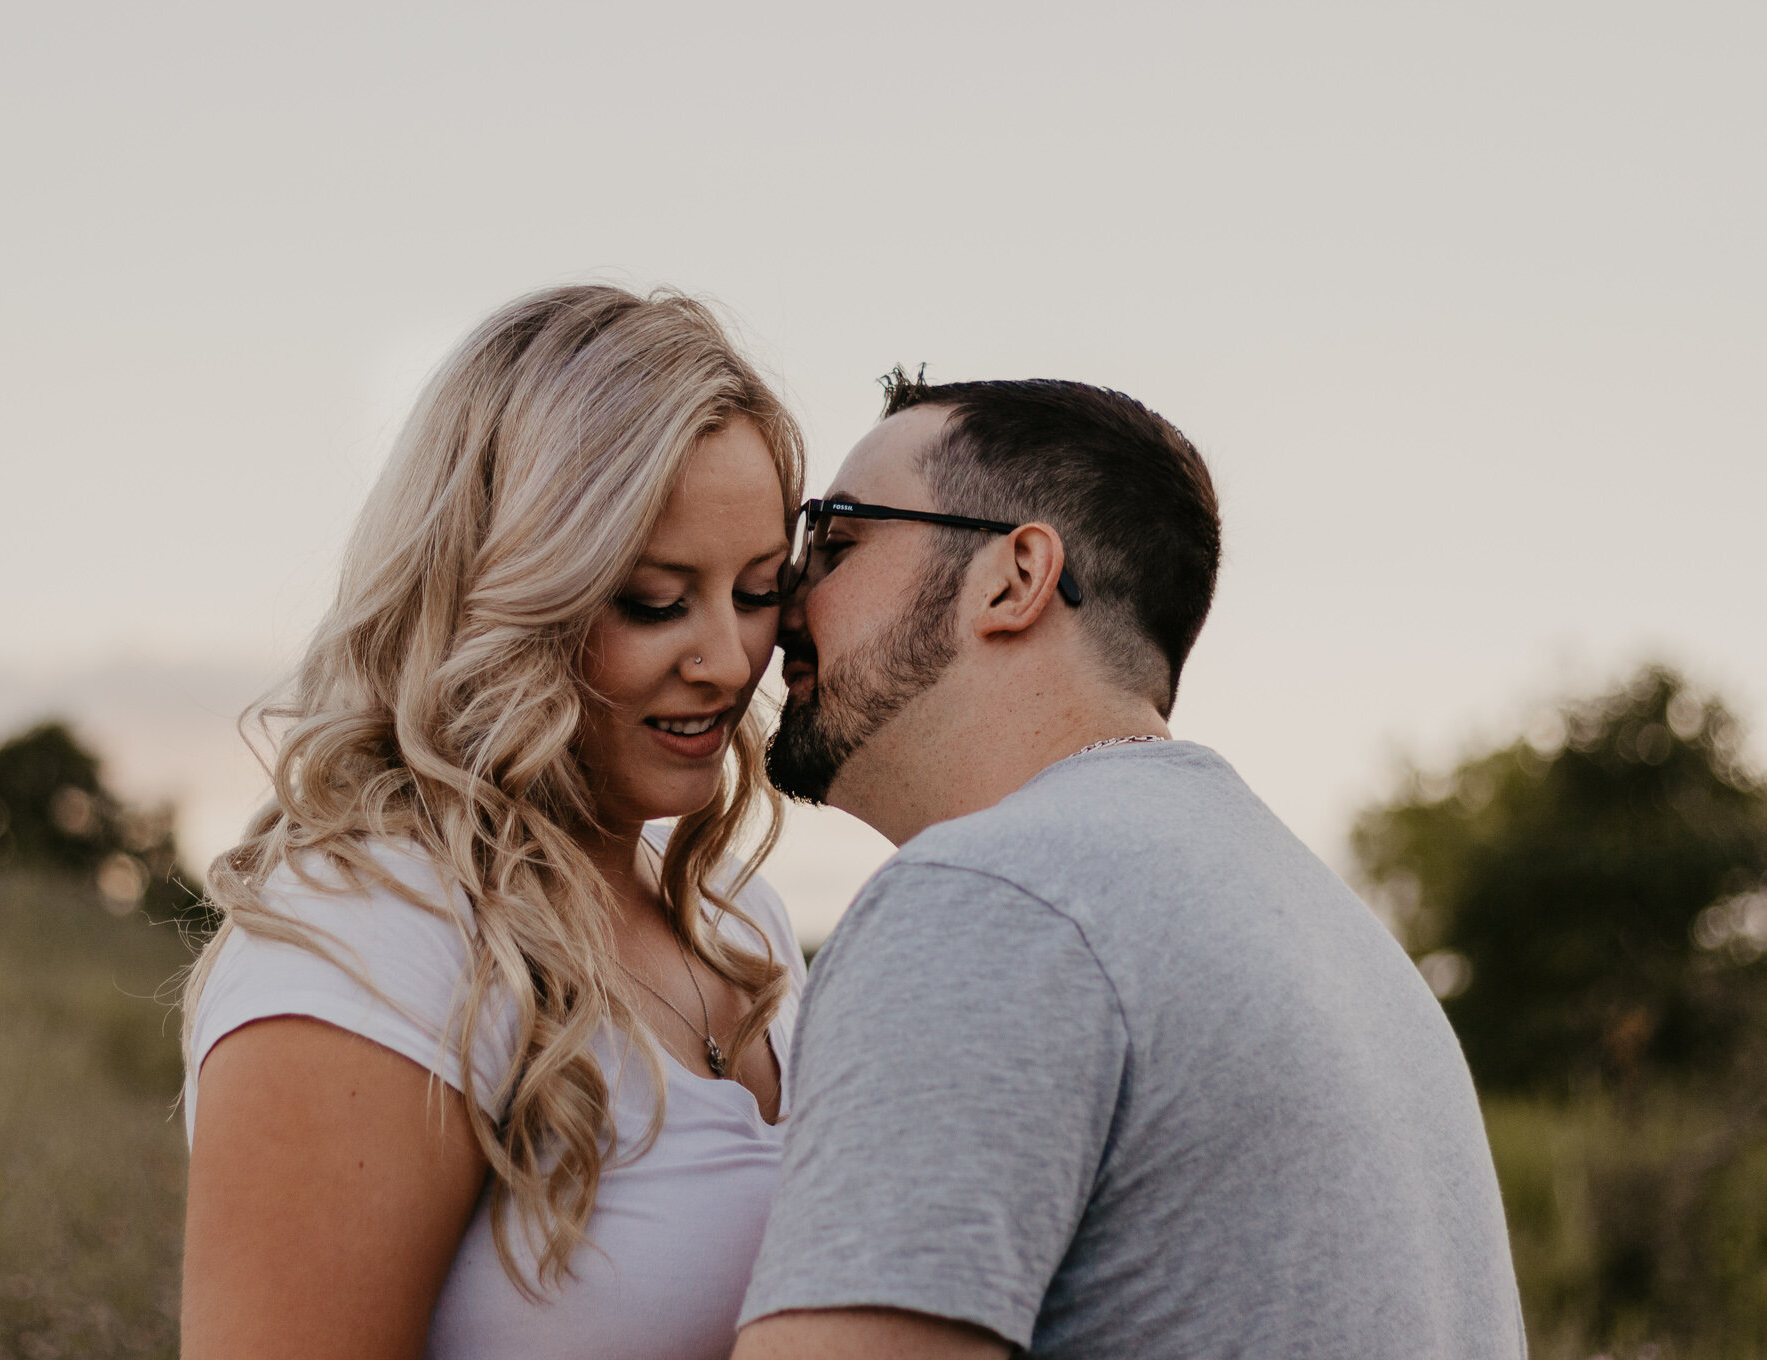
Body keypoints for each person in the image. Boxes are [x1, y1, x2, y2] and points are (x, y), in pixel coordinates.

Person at [733, 371, 1526, 1359]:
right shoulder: (1343, 945)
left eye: (837, 538)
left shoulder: (992, 904)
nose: (778, 590)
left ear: (1015, 576)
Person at [179, 284, 812, 1360]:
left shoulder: (742, 918)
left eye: (757, 590)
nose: (728, 661)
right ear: (507, 593)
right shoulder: (375, 935)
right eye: (656, 599)